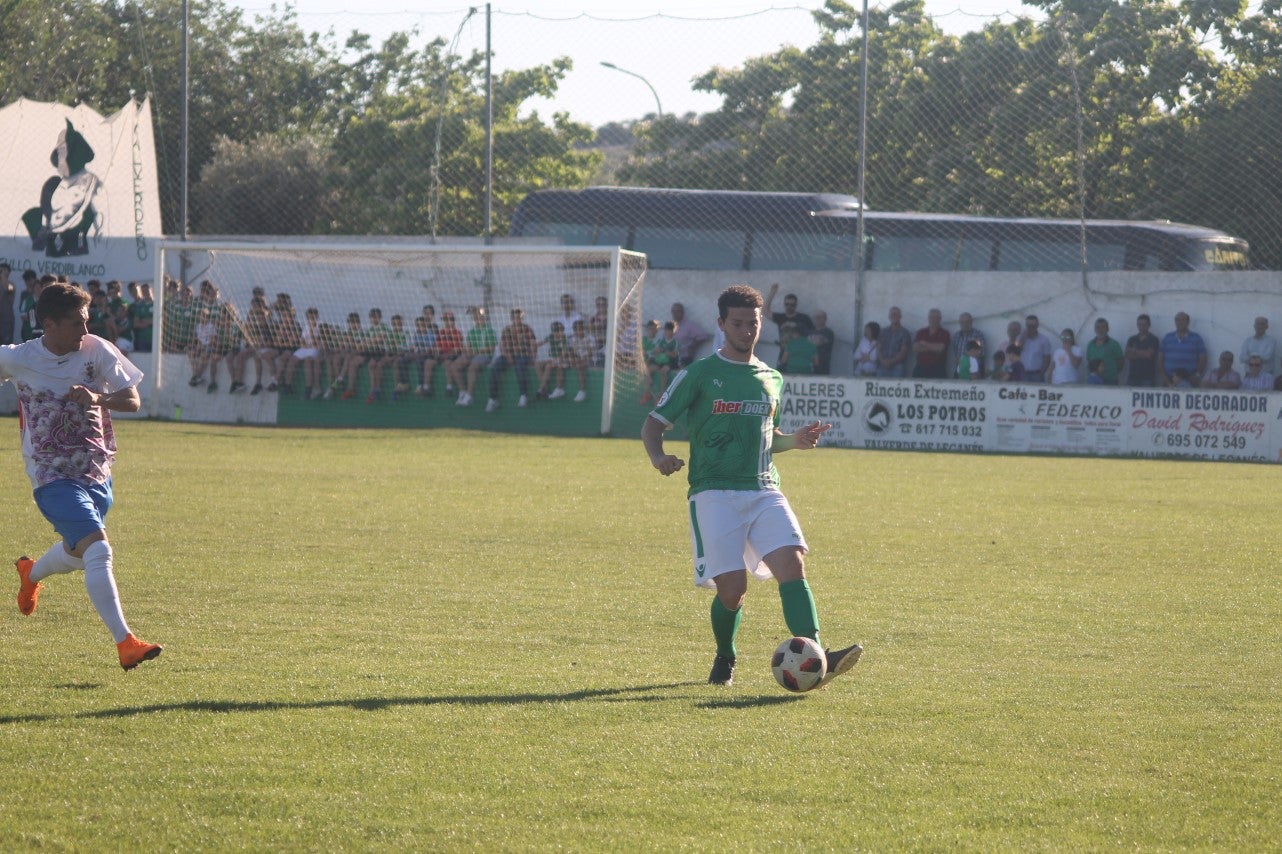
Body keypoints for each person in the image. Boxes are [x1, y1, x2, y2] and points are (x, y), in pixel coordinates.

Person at [641, 283, 862, 688]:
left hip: (763, 489)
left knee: (793, 563)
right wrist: (659, 458)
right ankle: (725, 655)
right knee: (732, 590)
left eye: (753, 323)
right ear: (721, 324)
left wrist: (793, 440)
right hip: (713, 492)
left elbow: (766, 436)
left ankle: (817, 656)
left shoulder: (771, 377)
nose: (747, 331)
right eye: (738, 323)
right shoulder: (701, 374)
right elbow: (653, 424)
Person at [3, 282, 161, 670]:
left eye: (87, 322)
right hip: (51, 475)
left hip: (95, 469)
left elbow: (133, 400)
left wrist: (98, 397)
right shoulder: (19, 357)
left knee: (79, 553)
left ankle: (31, 573)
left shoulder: (97, 350)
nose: (85, 331)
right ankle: (126, 643)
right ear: (50, 325)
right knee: (98, 548)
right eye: (77, 324)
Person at [486, 307, 537, 411]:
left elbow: (533, 344)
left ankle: (523, 396)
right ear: (511, 318)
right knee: (495, 367)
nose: (517, 319)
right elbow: (502, 346)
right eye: (515, 317)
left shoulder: (527, 329)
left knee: (520, 366)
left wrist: (533, 357)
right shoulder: (507, 330)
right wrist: (508, 356)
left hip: (523, 355)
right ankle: (493, 399)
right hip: (509, 355)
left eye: (519, 317)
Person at [452, 306, 497, 407]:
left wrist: (475, 351)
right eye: (475, 316)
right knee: (454, 366)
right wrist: (467, 352)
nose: (477, 318)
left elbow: (491, 349)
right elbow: (467, 347)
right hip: (472, 355)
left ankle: (469, 395)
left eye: (479, 316)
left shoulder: (489, 330)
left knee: (472, 368)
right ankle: (462, 391)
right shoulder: (471, 331)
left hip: (485, 356)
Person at [1157, 311, 1207, 388]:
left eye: (1183, 320)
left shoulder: (1196, 338)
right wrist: (1163, 377)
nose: (1180, 322)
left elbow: (1202, 358)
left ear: (1188, 322)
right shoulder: (1167, 337)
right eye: (1177, 320)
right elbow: (1160, 359)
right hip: (1169, 379)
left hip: (1189, 379)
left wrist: (1197, 374)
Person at [911, 307, 950, 378]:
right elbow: (915, 348)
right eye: (931, 317)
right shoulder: (921, 332)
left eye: (935, 317)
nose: (933, 320)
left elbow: (940, 348)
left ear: (940, 319)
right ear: (928, 318)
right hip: (920, 368)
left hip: (937, 369)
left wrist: (924, 344)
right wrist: (933, 347)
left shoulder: (944, 333)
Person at [670, 302, 710, 367]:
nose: (675, 314)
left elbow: (703, 335)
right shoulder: (671, 325)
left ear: (682, 312)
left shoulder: (689, 325)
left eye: (677, 311)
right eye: (673, 311)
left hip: (684, 358)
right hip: (672, 357)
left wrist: (692, 346)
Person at [1085, 318, 1124, 385]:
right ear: (1095, 329)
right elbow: (1089, 361)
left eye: (1103, 327)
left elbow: (1121, 362)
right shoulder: (1090, 344)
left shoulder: (1114, 344)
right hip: (1094, 381)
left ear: (1108, 329)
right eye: (1098, 327)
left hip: (1110, 381)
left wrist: (1111, 373)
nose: (1100, 330)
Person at [1124, 313, 1159, 387]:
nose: (1141, 327)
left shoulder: (1153, 339)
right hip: (1132, 378)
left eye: (1144, 324)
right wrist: (1143, 353)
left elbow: (1149, 355)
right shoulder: (1132, 339)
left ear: (1149, 325)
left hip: (1147, 378)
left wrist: (1133, 351)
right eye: (1139, 324)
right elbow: (1127, 355)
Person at [875, 306, 911, 377]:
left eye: (896, 314)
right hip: (882, 366)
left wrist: (891, 362)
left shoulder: (905, 332)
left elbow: (904, 352)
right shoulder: (883, 332)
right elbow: (878, 349)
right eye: (892, 314)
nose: (894, 316)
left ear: (900, 317)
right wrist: (883, 361)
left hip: (897, 367)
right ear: (889, 316)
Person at [1018, 314, 1055, 382]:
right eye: (1028, 326)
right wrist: (1022, 339)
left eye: (1033, 326)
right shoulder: (1020, 338)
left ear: (1037, 325)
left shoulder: (1044, 340)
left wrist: (1041, 374)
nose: (1030, 328)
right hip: (1022, 374)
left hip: (1036, 374)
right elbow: (1015, 352)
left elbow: (1047, 359)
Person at [950, 312, 985, 378]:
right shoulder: (956, 336)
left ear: (971, 322)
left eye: (967, 322)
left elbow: (981, 352)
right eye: (962, 322)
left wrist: (967, 358)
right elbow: (955, 354)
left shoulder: (978, 335)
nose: (964, 324)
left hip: (974, 371)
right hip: (961, 369)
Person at [808, 310, 835, 375]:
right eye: (816, 317)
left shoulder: (829, 332)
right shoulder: (809, 331)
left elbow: (817, 343)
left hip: (822, 364)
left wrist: (811, 342)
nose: (818, 319)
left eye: (820, 317)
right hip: (809, 363)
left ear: (825, 319)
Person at [0, 263, 16, 345]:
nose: (1, 271)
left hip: (6, 322)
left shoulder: (11, 285)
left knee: (5, 346)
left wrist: (3, 278)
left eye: (4, 270)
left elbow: (10, 294)